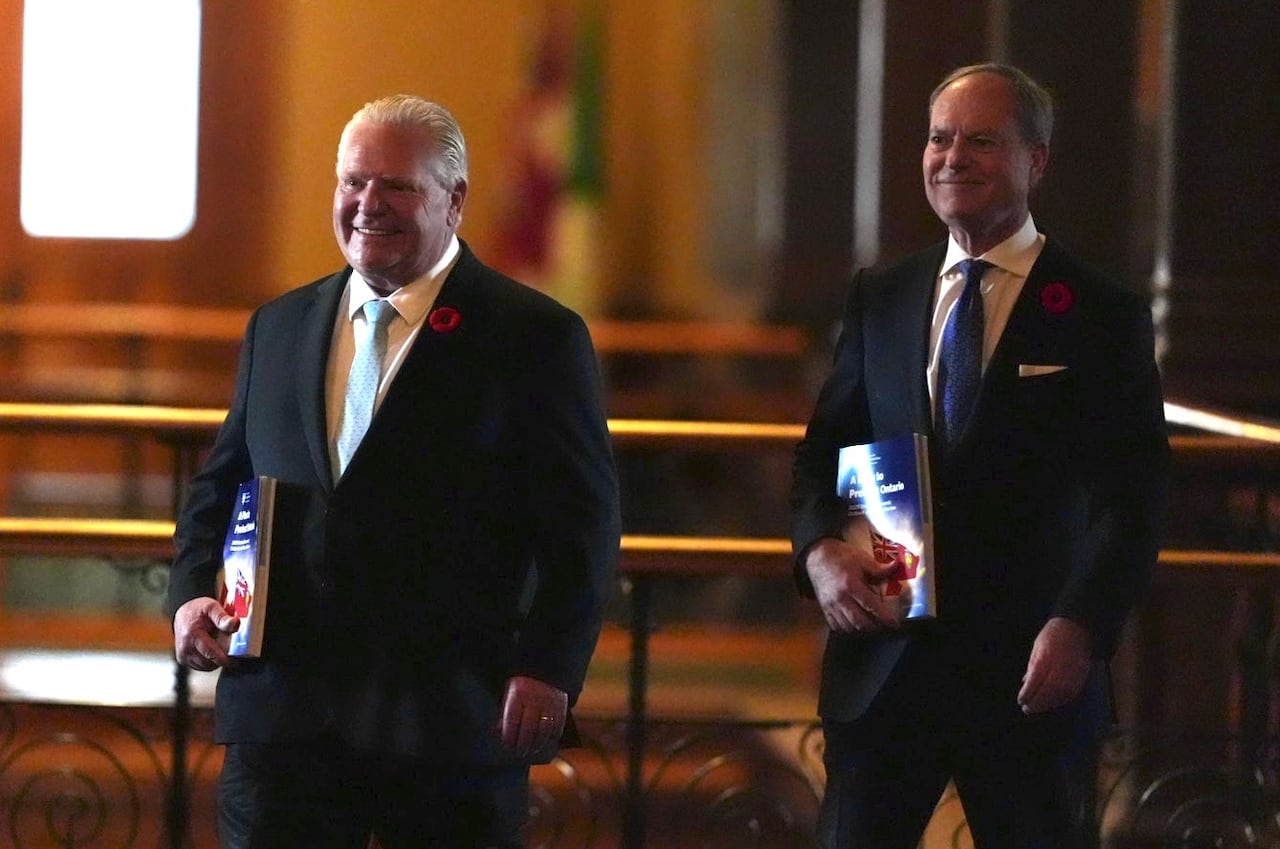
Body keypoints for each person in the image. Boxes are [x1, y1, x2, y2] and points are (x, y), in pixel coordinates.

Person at [167, 94, 621, 849]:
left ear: (456, 199)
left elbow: (582, 525)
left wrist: (550, 666)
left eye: (398, 187)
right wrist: (187, 597)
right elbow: (220, 484)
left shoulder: (535, 337)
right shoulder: (278, 325)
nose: (367, 204)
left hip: (446, 722)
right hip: (283, 720)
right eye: (353, 181)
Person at [790, 64, 1169, 849]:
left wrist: (1081, 624)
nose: (953, 157)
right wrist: (820, 552)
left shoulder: (1101, 314)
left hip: (1030, 679)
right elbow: (824, 454)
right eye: (939, 138)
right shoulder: (882, 295)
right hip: (886, 665)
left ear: (1038, 160)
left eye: (982, 141)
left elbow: (1132, 498)